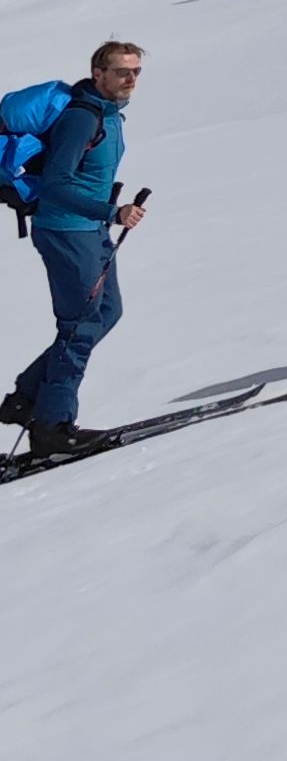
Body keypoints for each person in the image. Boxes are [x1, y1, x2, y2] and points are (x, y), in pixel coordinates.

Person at [2, 41, 148, 459]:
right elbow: (57, 185)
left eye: (136, 71)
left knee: (106, 312)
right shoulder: (81, 119)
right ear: (98, 73)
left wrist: (107, 213)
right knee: (79, 327)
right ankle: (53, 427)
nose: (131, 79)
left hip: (90, 230)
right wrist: (112, 211)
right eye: (122, 71)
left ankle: (27, 398)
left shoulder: (107, 115)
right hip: (66, 232)